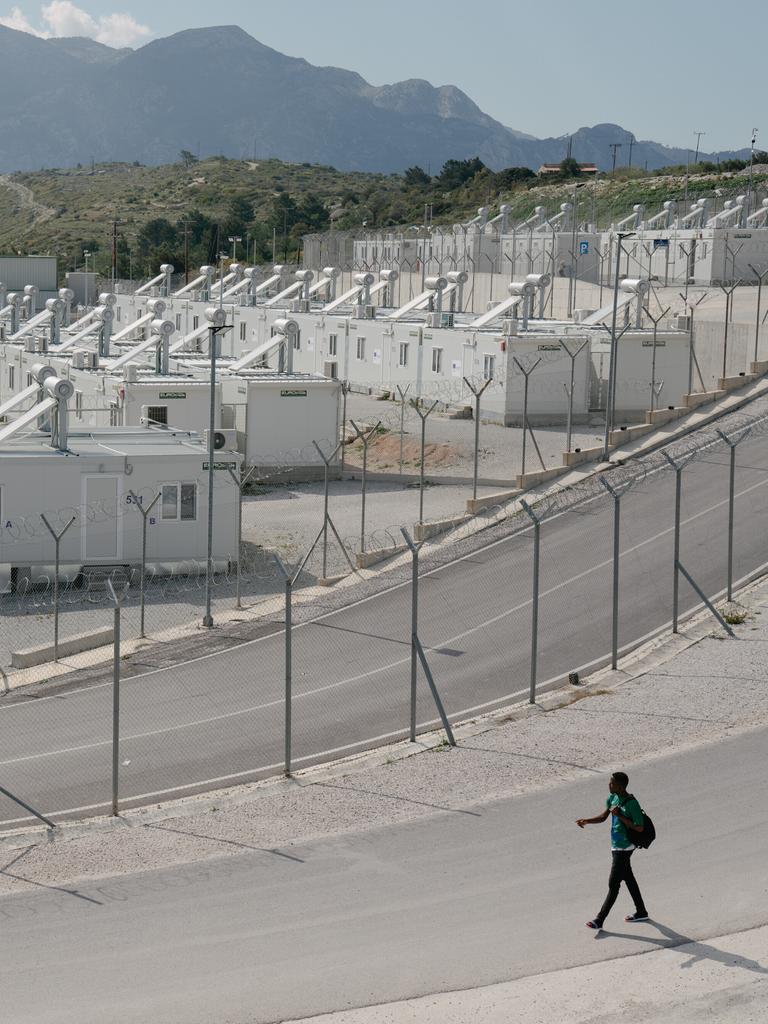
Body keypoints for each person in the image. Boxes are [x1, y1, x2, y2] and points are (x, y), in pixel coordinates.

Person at [576, 771, 648, 930]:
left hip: (625, 847)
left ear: (620, 786)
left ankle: (599, 919)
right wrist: (586, 821)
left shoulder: (631, 804)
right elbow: (603, 817)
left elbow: (640, 827)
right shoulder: (613, 798)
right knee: (628, 878)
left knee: (613, 884)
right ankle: (641, 911)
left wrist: (620, 816)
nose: (609, 785)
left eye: (612, 783)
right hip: (615, 845)